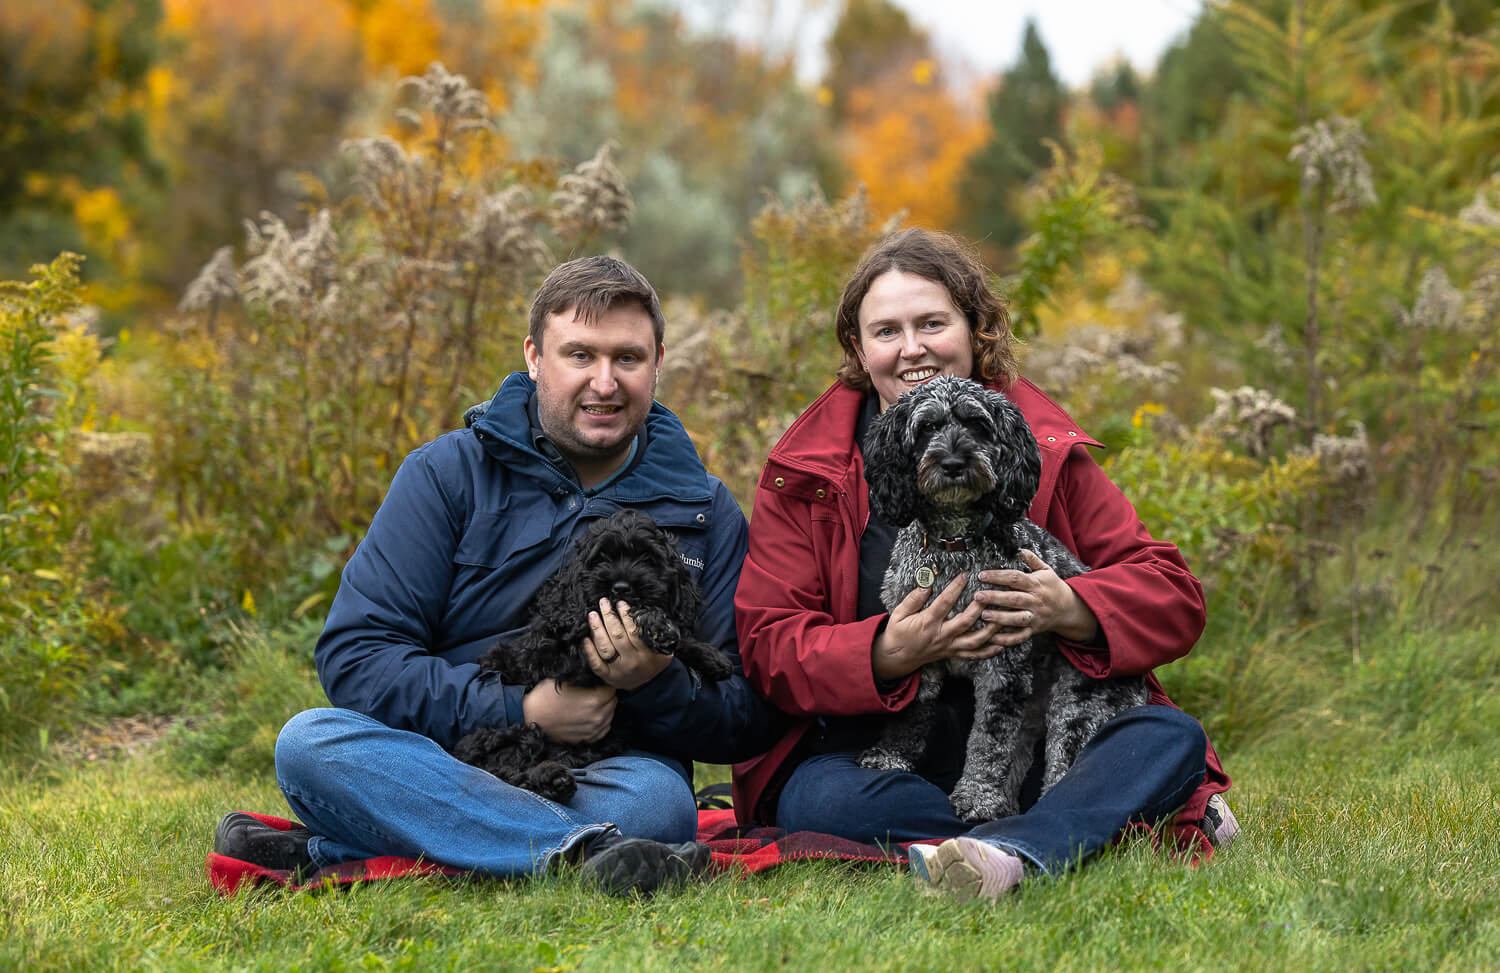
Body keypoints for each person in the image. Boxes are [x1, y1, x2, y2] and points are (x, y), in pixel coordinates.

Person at [213, 256, 783, 896]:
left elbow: (747, 713)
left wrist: (657, 684)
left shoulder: (704, 510)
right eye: (579, 355)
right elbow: (357, 658)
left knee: (657, 805)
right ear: (535, 358)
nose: (604, 382)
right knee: (310, 744)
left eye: (627, 358)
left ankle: (343, 843)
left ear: (656, 364)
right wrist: (523, 707)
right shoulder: (444, 475)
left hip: (607, 772)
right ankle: (577, 851)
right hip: (444, 756)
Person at [731, 229, 1235, 902]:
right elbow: (770, 646)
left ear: (975, 329)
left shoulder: (1040, 446)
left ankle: (1009, 847)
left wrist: (1073, 607)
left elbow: (1173, 595)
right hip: (887, 749)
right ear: (858, 348)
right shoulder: (806, 473)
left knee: (1168, 735)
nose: (912, 348)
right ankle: (1066, 829)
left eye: (932, 323)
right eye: (887, 330)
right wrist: (885, 649)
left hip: (1034, 731)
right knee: (820, 799)